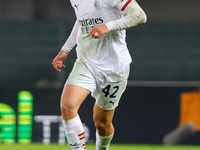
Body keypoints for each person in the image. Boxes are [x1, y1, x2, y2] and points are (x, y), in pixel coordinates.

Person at [52, 0, 147, 149]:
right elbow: (81, 21)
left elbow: (140, 16)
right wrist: (65, 49)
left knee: (101, 123)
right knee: (67, 106)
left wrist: (108, 26)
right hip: (86, 62)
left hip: (114, 68)